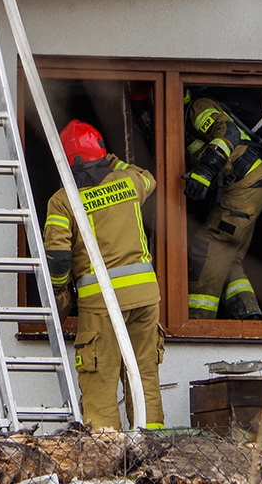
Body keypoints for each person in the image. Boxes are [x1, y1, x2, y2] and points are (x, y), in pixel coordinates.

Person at [43, 119, 164, 431]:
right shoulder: (130, 181)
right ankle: (151, 447)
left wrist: (59, 291)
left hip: (102, 303)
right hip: (146, 298)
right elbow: (149, 178)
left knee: (99, 378)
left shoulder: (62, 200)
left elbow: (57, 257)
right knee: (144, 374)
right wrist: (112, 160)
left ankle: (105, 456)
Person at [183, 89, 262, 320]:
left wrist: (205, 170)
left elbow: (229, 132)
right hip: (252, 186)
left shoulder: (198, 107)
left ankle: (199, 325)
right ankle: (247, 317)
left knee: (206, 249)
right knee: (228, 256)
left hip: (243, 186)